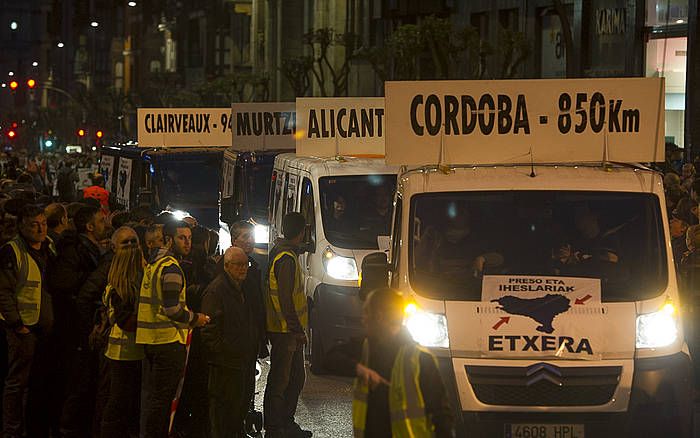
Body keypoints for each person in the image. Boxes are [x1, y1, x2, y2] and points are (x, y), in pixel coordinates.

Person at [136, 219, 210, 438]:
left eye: (189, 238)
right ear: (168, 240)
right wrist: (197, 318)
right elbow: (172, 309)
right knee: (162, 400)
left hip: (152, 340)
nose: (187, 243)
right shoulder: (171, 268)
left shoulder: (154, 265)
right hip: (167, 342)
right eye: (181, 238)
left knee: (155, 398)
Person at [352, 288, 455, 437]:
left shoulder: (420, 359)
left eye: (367, 312)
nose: (363, 318)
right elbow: (329, 359)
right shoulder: (366, 348)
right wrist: (359, 369)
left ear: (379, 316)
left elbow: (441, 417)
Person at [51, 205, 109, 438]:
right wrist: (94, 276)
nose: (105, 225)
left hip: (83, 328)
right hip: (76, 328)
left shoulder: (92, 250)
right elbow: (63, 282)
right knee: (78, 383)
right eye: (101, 221)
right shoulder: (74, 251)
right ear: (89, 226)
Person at [0, 204, 57, 438]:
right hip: (22, 329)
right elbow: (3, 292)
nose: (40, 228)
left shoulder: (49, 247)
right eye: (34, 224)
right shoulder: (12, 251)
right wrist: (17, 324)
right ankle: (12, 431)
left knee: (35, 384)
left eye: (43, 223)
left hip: (42, 329)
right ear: (22, 225)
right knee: (16, 384)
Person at [201, 247, 261, 438]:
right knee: (224, 413)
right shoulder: (217, 291)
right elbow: (209, 331)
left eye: (246, 264)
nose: (243, 269)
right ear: (227, 266)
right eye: (238, 265)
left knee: (238, 408)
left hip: (240, 360)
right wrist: (223, 353)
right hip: (225, 364)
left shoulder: (241, 289)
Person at [264, 212, 311, 438]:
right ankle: (276, 427)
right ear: (301, 232)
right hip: (285, 331)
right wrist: (297, 330)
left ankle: (284, 423)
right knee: (282, 381)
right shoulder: (286, 259)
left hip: (285, 330)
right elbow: (286, 299)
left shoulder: (284, 253)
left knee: (293, 378)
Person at [101, 226, 144, 438]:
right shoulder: (120, 286)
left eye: (133, 242)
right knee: (118, 404)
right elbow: (125, 321)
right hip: (122, 353)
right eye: (125, 243)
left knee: (127, 405)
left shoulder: (135, 279)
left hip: (134, 352)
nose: (131, 248)